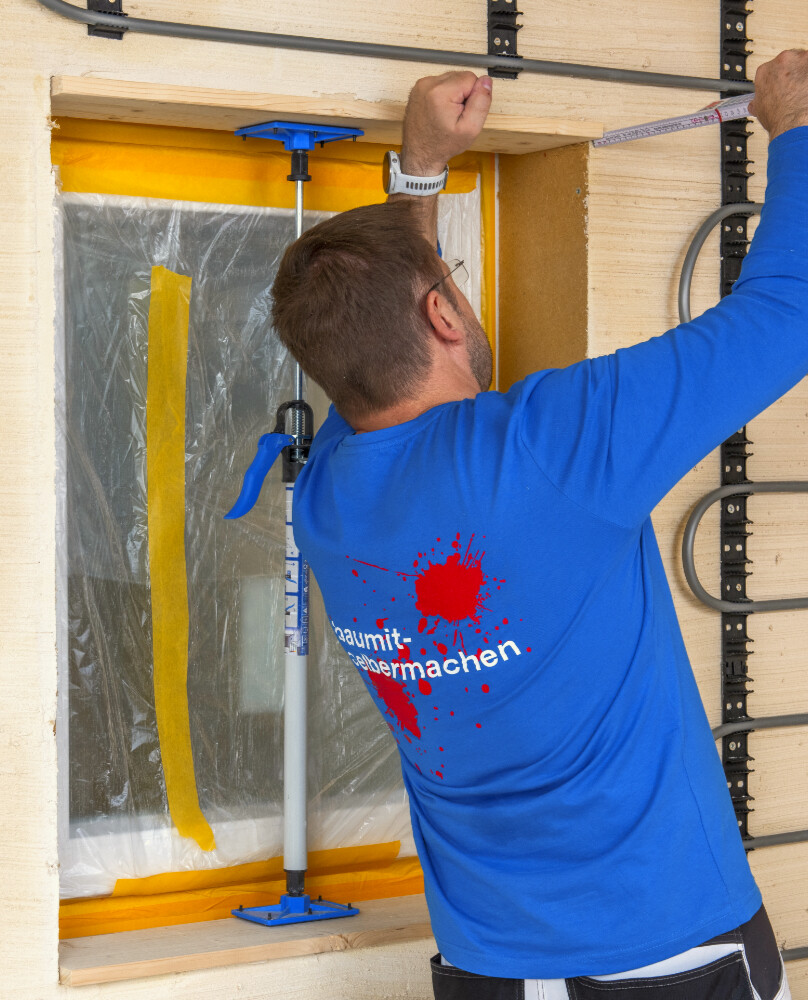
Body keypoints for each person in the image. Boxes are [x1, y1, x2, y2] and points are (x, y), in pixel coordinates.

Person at [270, 51, 808, 1000]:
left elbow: (386, 346)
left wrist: (421, 176)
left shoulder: (324, 503)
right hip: (669, 951)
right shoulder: (554, 444)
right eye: (453, 281)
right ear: (443, 313)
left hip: (490, 966)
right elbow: (787, 312)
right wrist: (796, 125)